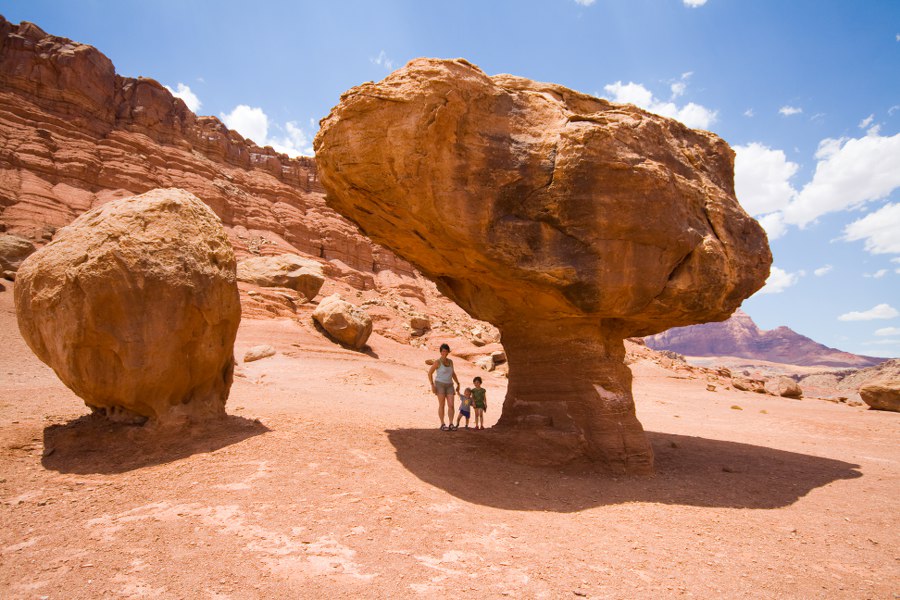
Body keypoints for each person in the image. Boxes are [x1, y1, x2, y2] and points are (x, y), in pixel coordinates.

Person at [428, 343, 460, 430]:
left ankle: (451, 424)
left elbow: (453, 373)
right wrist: (432, 385)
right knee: (442, 405)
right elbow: (430, 373)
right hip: (440, 384)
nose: (444, 352)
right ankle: (442, 424)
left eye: (446, 351)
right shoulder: (437, 362)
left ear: (448, 352)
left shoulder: (450, 362)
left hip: (450, 384)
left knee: (451, 405)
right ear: (440, 352)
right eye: (443, 351)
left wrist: (458, 383)